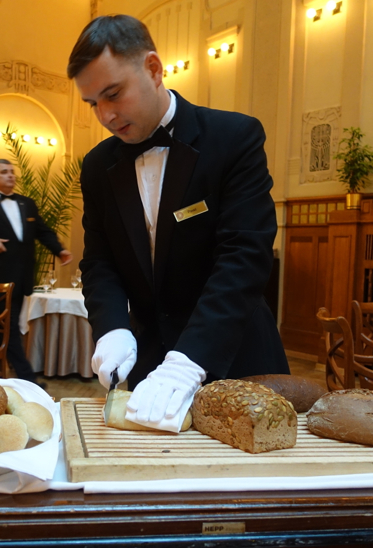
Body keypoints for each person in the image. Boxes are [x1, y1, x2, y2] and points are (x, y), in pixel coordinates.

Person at [67, 15, 290, 431]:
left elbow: (244, 258)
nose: (105, 115)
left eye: (113, 94)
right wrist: (112, 328)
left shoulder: (234, 137)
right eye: (93, 102)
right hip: (151, 372)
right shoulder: (98, 166)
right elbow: (99, 262)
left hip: (236, 357)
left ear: (153, 69)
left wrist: (190, 361)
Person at [0, 159, 72, 385]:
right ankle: (27, 377)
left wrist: (60, 250)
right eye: (4, 172)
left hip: (23, 277)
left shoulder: (27, 203)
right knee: (10, 326)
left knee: (3, 325)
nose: (11, 175)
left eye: (12, 172)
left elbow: (42, 231)